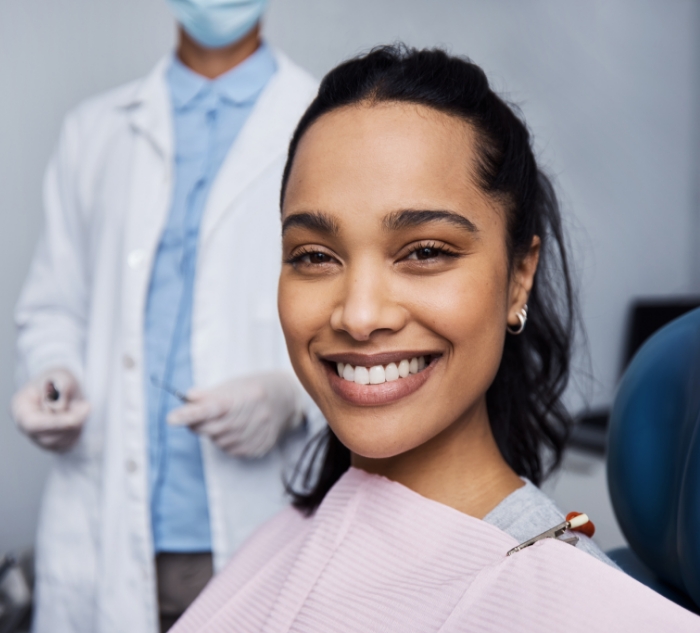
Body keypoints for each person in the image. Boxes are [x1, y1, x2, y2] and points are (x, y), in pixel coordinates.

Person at [170, 45, 700, 631]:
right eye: (315, 255)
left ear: (519, 276)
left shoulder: (580, 608)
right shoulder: (284, 536)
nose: (360, 315)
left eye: (425, 251)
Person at [11, 1, 322, 631]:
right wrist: (55, 374)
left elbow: (360, 311)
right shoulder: (95, 131)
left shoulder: (325, 123)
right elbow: (54, 306)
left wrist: (294, 397)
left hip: (252, 528)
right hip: (102, 527)